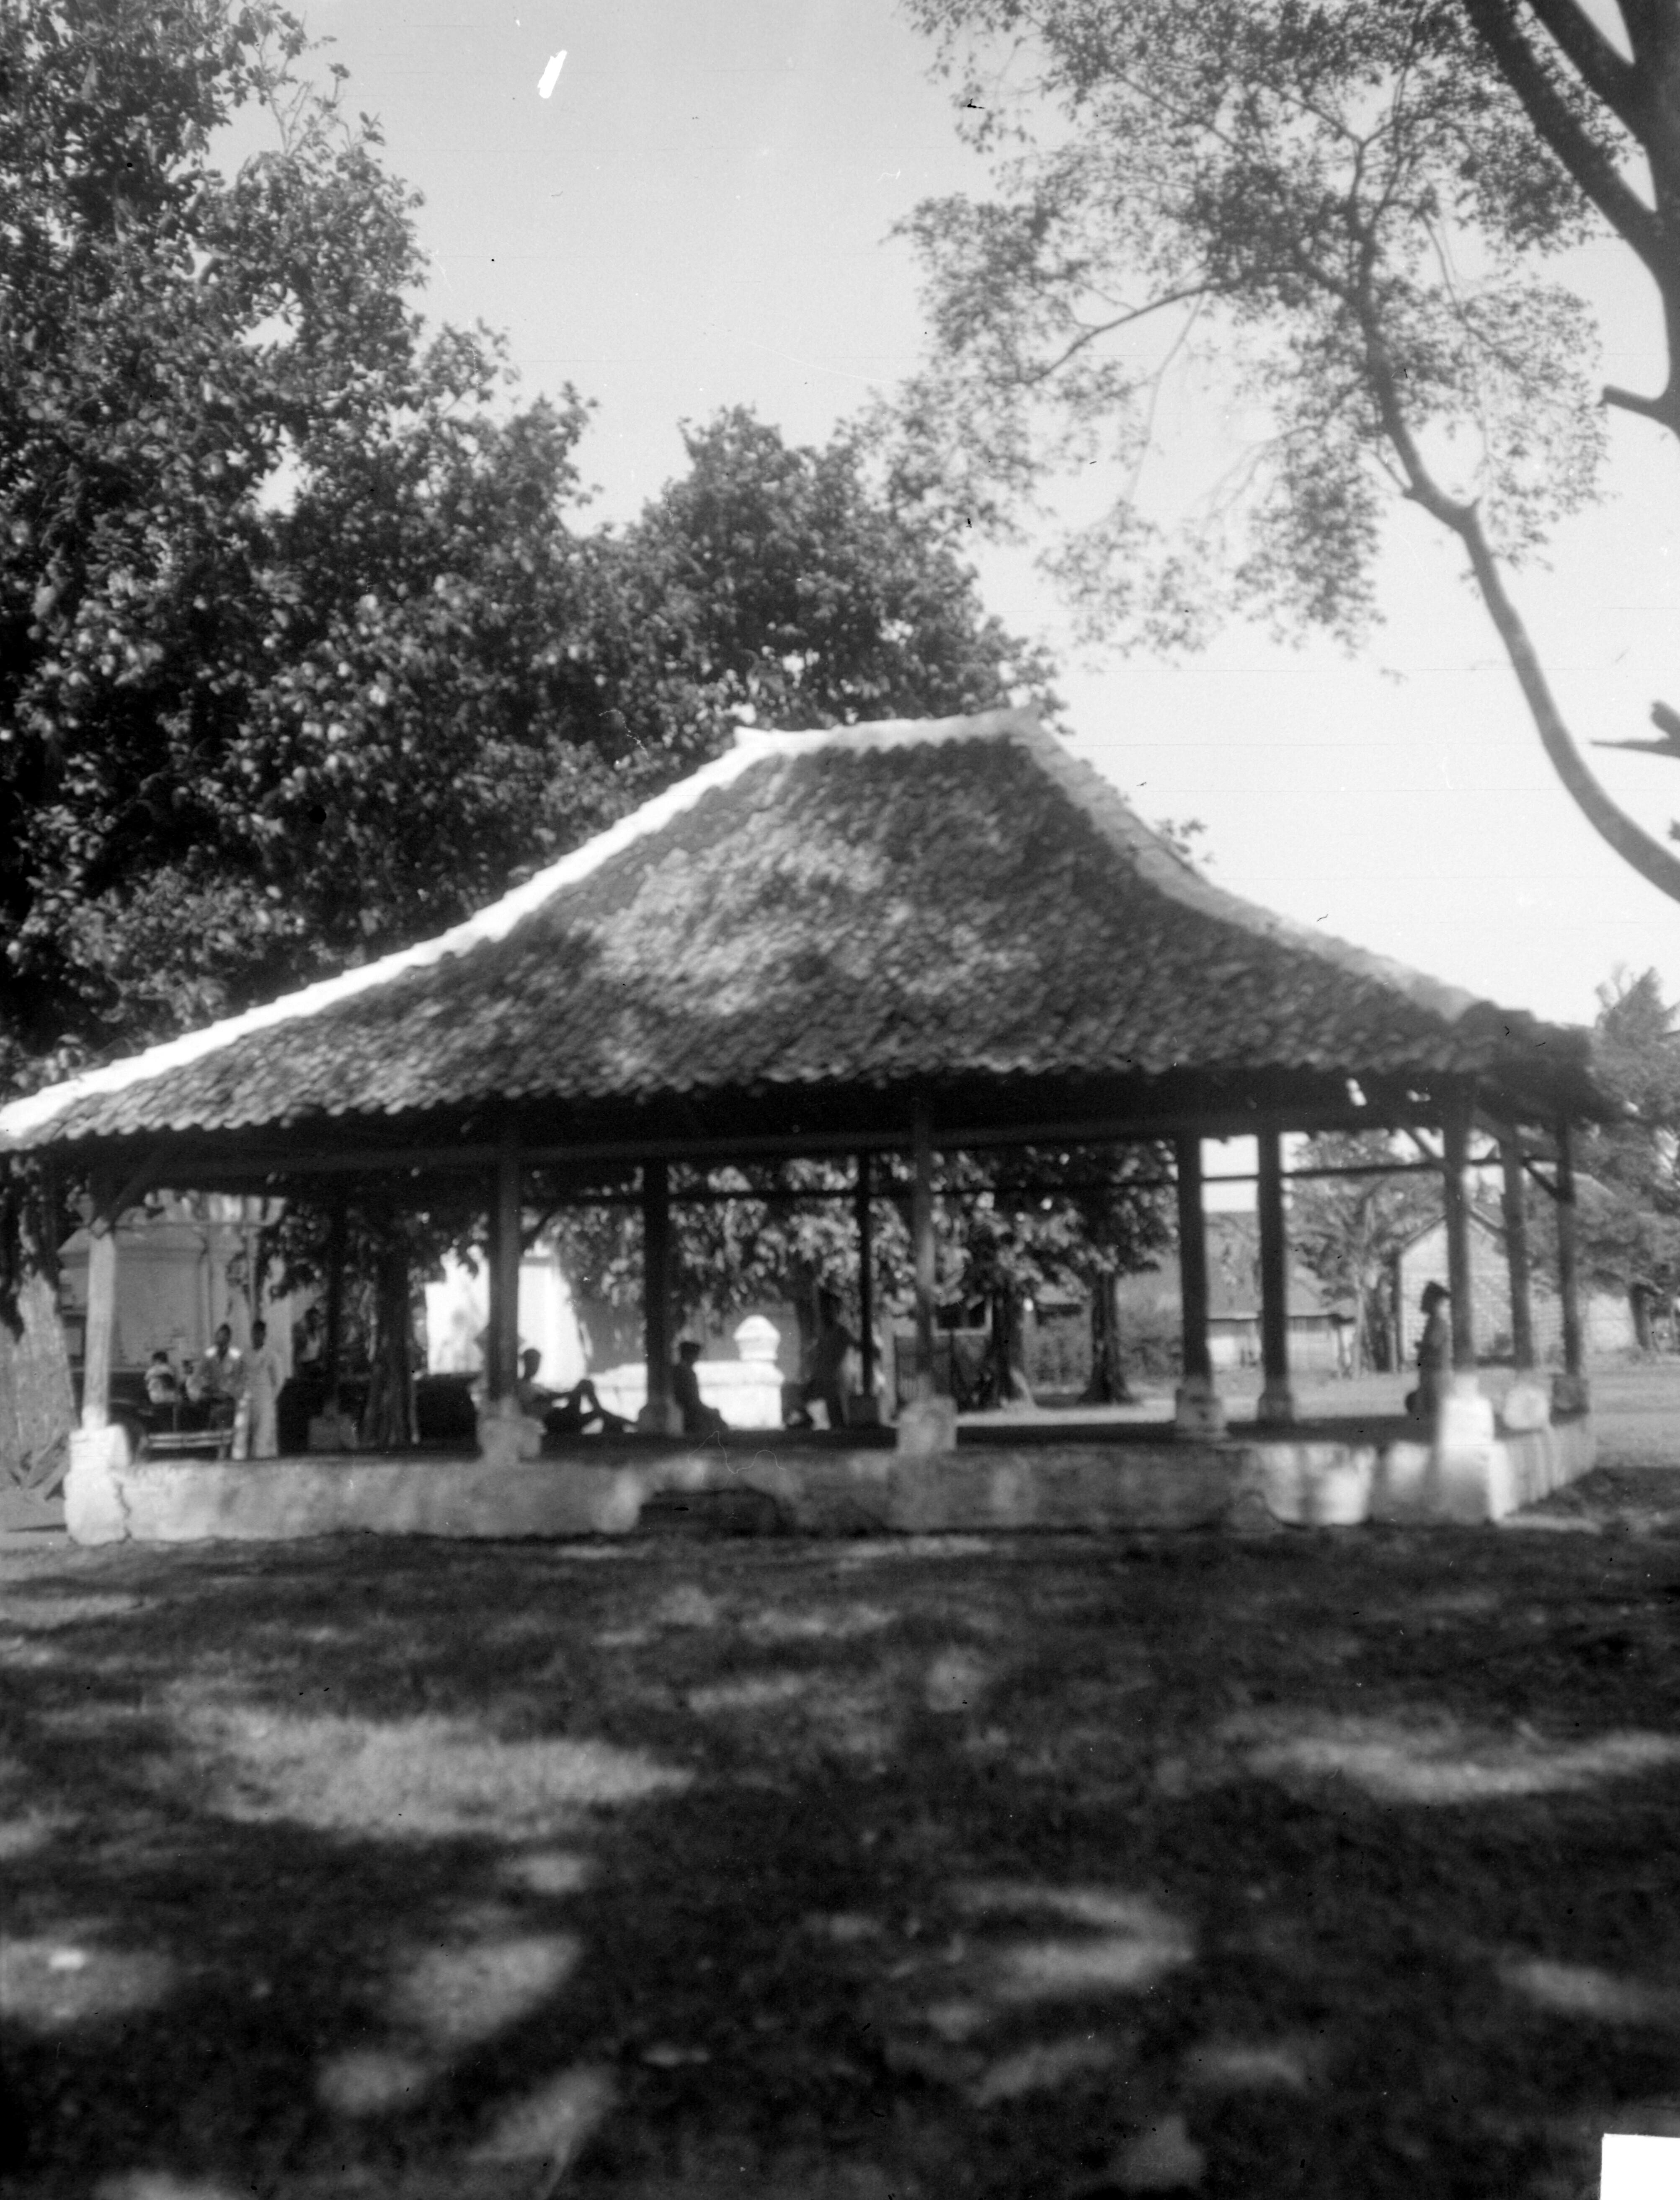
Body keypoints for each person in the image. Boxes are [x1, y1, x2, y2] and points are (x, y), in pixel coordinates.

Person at [1404, 1282, 1452, 1421]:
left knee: (1435, 1413)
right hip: (1430, 1372)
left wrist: (1421, 1346)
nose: (1422, 1302)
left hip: (1436, 1374)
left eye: (1425, 1299)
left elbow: (1432, 1344)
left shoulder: (1438, 1322)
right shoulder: (1433, 1321)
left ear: (1435, 1302)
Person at [671, 1339, 728, 1439]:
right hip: (688, 1413)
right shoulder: (686, 1373)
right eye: (695, 1355)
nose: (697, 1359)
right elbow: (693, 1402)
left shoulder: (680, 1370)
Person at [246, 1319, 284, 1460]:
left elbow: (279, 1381)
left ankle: (262, 1464)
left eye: (259, 1334)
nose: (256, 1337)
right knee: (251, 1437)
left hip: (265, 1401)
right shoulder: (246, 1355)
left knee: (263, 1438)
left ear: (264, 1335)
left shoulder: (271, 1356)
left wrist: (270, 1399)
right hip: (250, 1401)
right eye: (254, 1333)